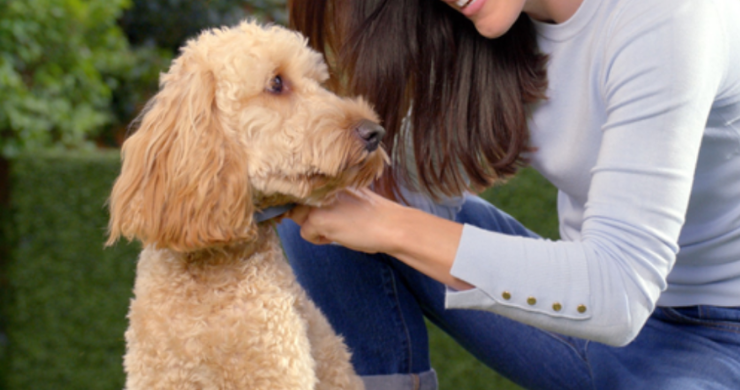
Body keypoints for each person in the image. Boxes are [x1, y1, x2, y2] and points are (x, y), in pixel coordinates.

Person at [278, 0, 740, 388]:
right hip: (584, 327)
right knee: (332, 214)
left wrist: (386, 225)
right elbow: (399, 180)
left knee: (363, 217)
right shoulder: (498, 25)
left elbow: (618, 292)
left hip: (718, 339)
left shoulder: (670, 16)